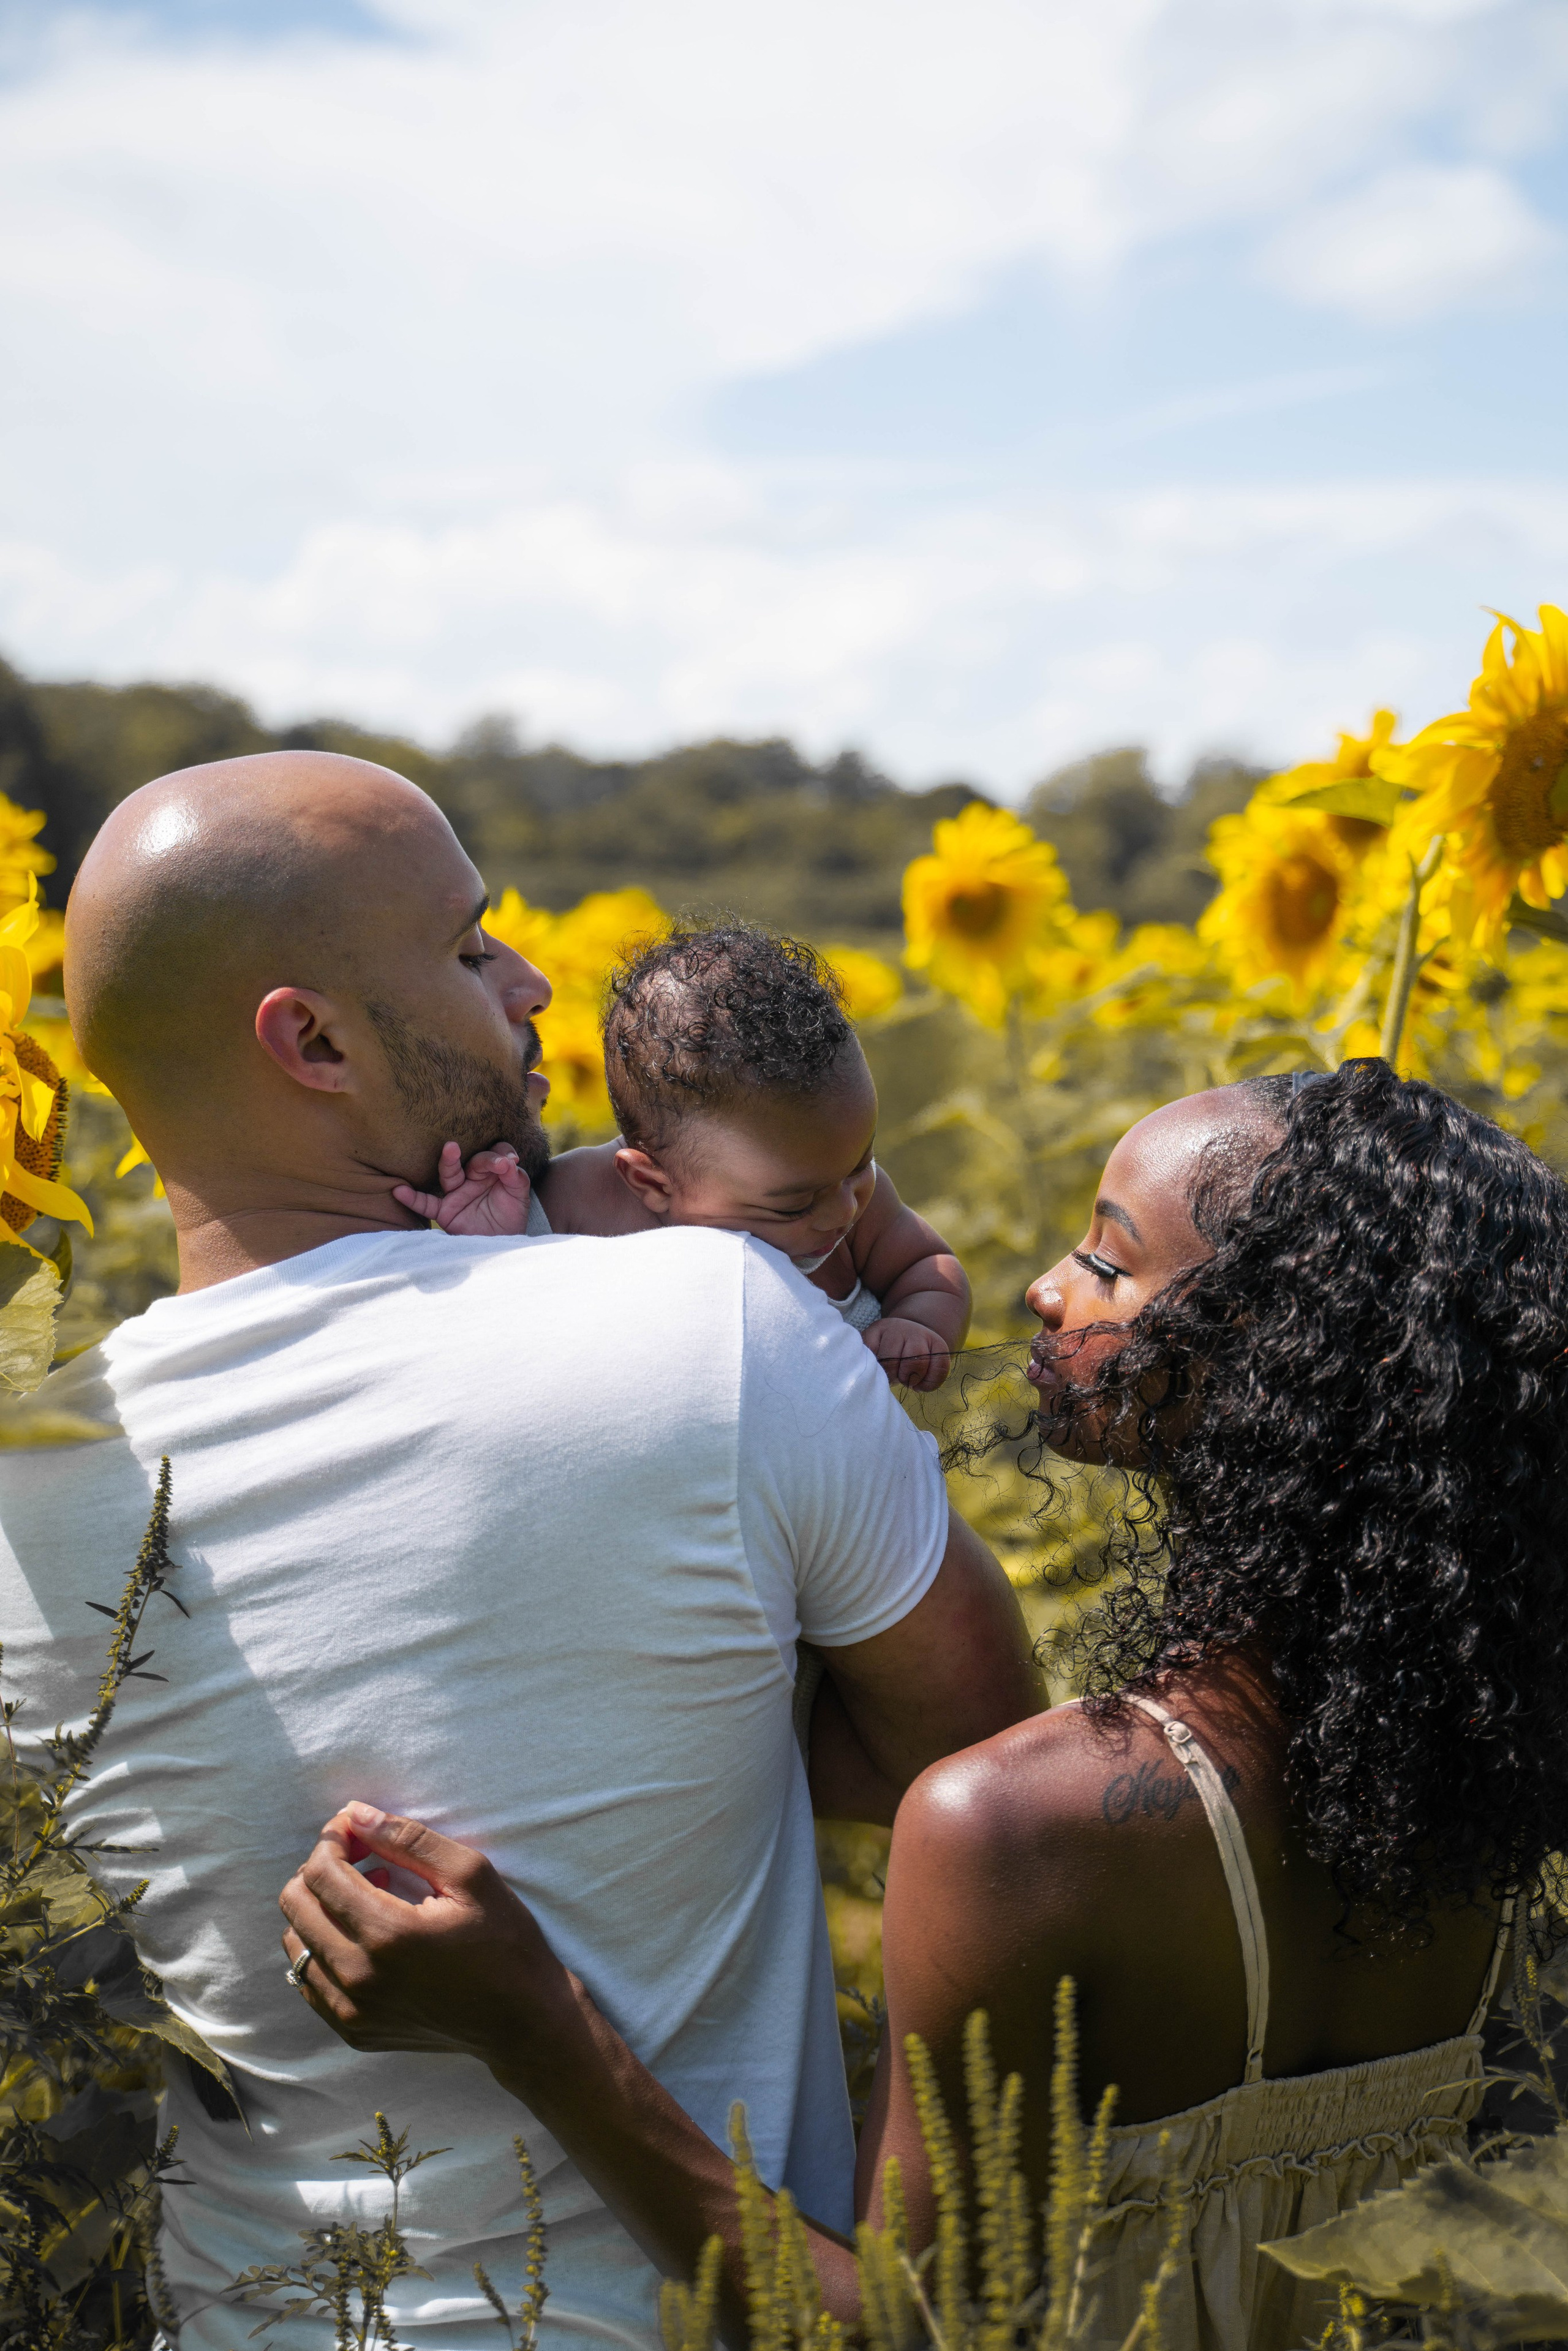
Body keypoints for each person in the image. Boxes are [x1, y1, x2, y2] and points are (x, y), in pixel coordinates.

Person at [0, 749, 1040, 2349]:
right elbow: (990, 1789)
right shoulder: (715, 1325)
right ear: (316, 1039)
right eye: (475, 946)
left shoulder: (29, 1496)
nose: (535, 981)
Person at [279, 1061, 1568, 2351]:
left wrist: (534, 2027)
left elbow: (888, 2335)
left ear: (1276, 1368)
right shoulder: (1488, 1786)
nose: (1042, 1291)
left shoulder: (1016, 1827)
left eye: (1107, 1267)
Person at [393, 921, 970, 1394]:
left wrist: (920, 1325)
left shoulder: (846, 1198)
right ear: (650, 1182)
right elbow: (507, 1339)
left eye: (859, 1165)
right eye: (793, 1206)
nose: (842, 1210)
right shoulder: (573, 1210)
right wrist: (491, 1246)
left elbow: (931, 1268)